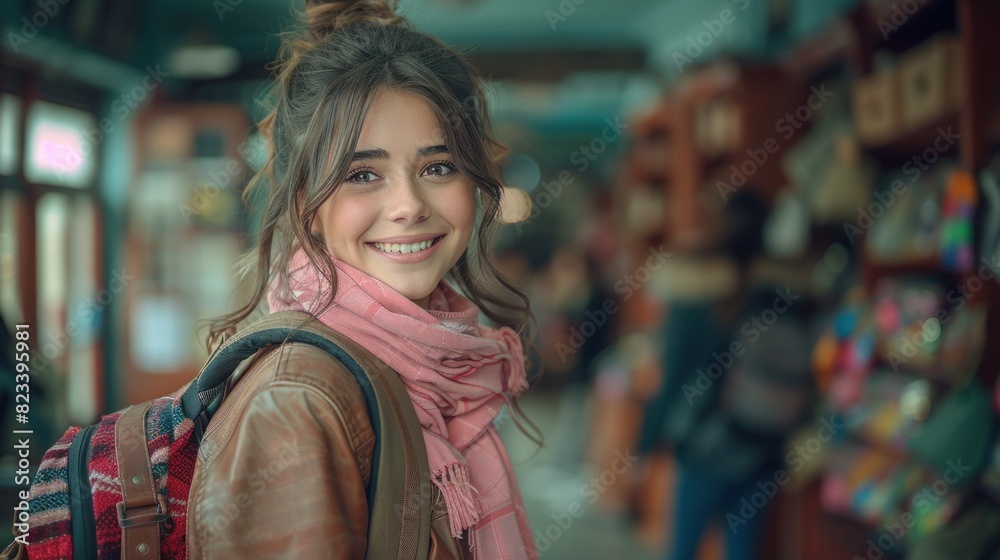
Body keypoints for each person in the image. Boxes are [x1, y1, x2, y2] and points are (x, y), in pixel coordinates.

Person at [187, 1, 542, 558]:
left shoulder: (440, 361)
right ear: (306, 205)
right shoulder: (301, 399)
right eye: (362, 174)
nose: (407, 205)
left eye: (438, 167)